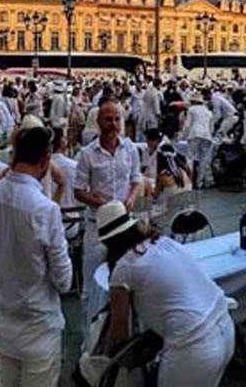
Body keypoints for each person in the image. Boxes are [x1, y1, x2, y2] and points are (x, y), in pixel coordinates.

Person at [101, 201, 234, 387]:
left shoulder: (124, 267)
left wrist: (103, 363)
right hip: (225, 327)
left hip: (195, 346)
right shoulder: (164, 242)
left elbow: (119, 331)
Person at [0, 126, 72, 386]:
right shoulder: (45, 209)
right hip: (38, 327)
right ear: (45, 160)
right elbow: (64, 281)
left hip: (1, 321)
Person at [74, 99, 143, 337]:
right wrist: (99, 202)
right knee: (92, 283)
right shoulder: (87, 154)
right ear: (98, 122)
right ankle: (88, 337)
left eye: (117, 119)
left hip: (125, 224)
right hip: (97, 226)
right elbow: (78, 190)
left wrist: (132, 198)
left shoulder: (130, 149)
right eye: (108, 119)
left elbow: (136, 179)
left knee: (127, 280)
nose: (113, 124)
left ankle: (122, 334)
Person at [181, 91, 215, 189]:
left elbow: (187, 125)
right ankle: (200, 182)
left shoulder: (191, 109)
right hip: (207, 135)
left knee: (190, 158)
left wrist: (183, 136)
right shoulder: (208, 112)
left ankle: (189, 181)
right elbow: (211, 127)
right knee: (204, 160)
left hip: (195, 134)